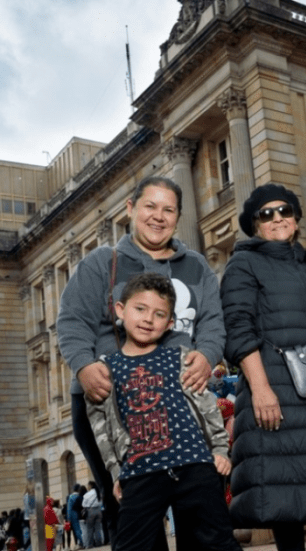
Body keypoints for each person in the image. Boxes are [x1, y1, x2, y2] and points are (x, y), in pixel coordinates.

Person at [57, 176, 223, 549]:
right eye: (150, 206)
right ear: (131, 209)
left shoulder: (196, 266)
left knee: (199, 508)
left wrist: (208, 355)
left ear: (178, 218)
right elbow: (72, 321)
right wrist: (83, 365)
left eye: (168, 210)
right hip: (111, 399)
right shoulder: (102, 263)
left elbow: (214, 319)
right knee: (128, 507)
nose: (158, 217)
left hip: (182, 400)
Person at [220, 184, 306, 551]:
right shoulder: (243, 263)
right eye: (266, 214)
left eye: (284, 211)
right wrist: (261, 389)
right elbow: (239, 328)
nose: (277, 218)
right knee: (285, 504)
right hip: (276, 395)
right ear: (255, 225)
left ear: (296, 220)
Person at [87, 273, 241, 551]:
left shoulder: (182, 357)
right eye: (140, 309)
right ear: (120, 310)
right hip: (139, 471)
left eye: (159, 314)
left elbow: (207, 405)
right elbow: (101, 428)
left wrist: (219, 449)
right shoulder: (104, 369)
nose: (148, 319)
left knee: (217, 543)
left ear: (170, 323)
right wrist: (115, 470)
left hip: (195, 465)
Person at [79, 483, 102, 548]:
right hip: (98, 510)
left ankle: (90, 544)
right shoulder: (98, 493)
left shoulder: (87, 494)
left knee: (90, 528)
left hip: (90, 511)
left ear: (90, 486)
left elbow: (83, 504)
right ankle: (99, 543)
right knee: (98, 528)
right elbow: (101, 502)